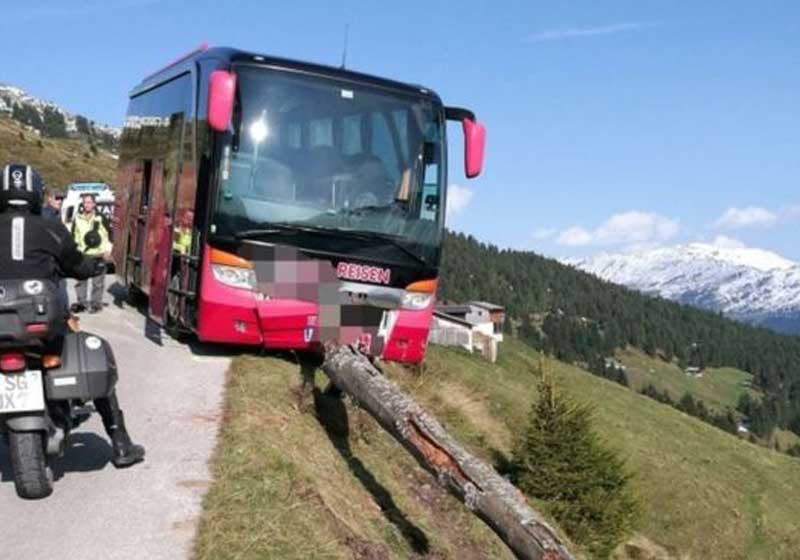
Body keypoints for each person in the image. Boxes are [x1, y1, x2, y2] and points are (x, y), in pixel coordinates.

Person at [0, 163, 145, 468]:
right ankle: (121, 444)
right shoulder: (52, 229)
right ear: (37, 195)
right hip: (43, 325)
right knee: (92, 352)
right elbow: (77, 265)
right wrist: (95, 265)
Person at [71, 192, 112, 314]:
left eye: (89, 202)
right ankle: (82, 303)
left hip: (99, 254)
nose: (87, 205)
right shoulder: (77, 218)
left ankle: (96, 304)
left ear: (94, 204)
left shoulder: (100, 218)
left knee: (98, 283)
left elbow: (109, 235)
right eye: (85, 202)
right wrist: (75, 251)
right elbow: (74, 236)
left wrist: (108, 250)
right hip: (83, 254)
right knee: (81, 281)